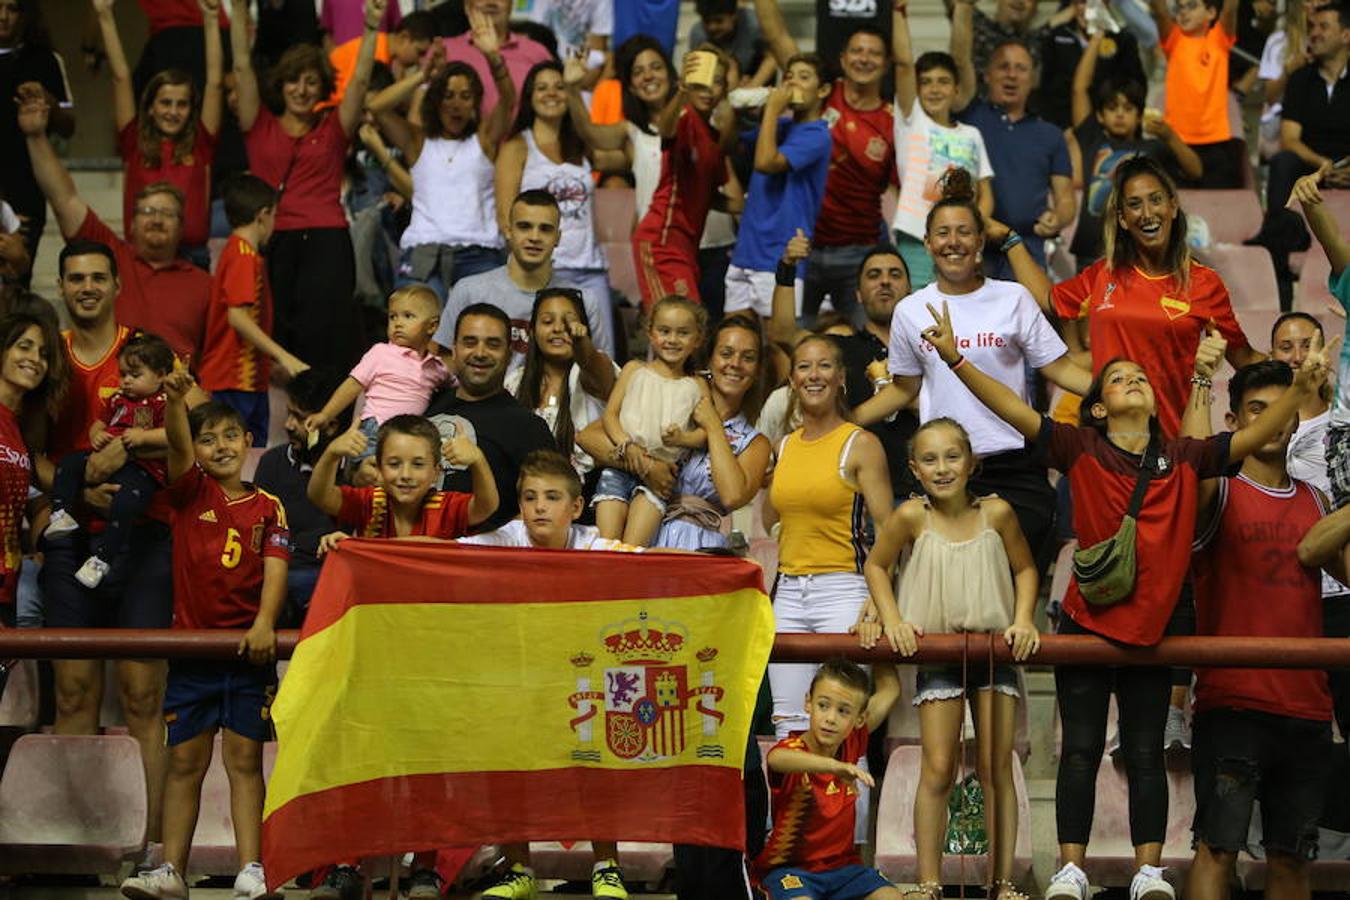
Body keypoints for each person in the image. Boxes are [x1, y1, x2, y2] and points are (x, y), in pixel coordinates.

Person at [918, 298, 1332, 900]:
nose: (1132, 381)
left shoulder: (1185, 458)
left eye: (1139, 377)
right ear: (1098, 407)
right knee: (1081, 750)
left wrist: (1301, 390)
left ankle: (1147, 870)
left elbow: (1255, 434)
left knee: (1144, 752)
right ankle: (1071, 869)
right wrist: (956, 359)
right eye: (1117, 378)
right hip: (1088, 624)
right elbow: (1012, 407)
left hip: (1154, 629)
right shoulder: (1078, 448)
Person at [117, 380, 288, 900]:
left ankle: (252, 868)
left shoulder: (268, 506)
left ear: (248, 440)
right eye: (207, 439)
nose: (220, 446)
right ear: (195, 451)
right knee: (185, 761)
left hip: (246, 654)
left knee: (244, 760)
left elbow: (277, 568)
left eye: (230, 436)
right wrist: (173, 403)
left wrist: (264, 623)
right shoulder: (190, 492)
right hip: (193, 653)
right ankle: (171, 870)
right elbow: (174, 443)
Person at [860, 417, 1040, 900]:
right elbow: (877, 565)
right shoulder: (910, 517)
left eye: (952, 456)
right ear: (914, 469)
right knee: (937, 767)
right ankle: (929, 881)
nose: (942, 468)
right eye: (930, 459)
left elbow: (1025, 569)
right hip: (938, 653)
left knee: (995, 767)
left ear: (972, 462)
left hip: (993, 652)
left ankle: (1003, 882)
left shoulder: (997, 513)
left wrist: (1022, 620)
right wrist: (893, 617)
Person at [872, 173, 1092, 564]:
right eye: (942, 233)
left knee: (1012, 592)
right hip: (944, 471)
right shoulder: (909, 310)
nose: (952, 242)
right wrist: (848, 418)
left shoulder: (1013, 297)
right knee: (954, 599)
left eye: (963, 232)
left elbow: (1059, 370)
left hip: (1014, 463)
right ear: (927, 244)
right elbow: (905, 389)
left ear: (979, 243)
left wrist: (1109, 390)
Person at [1183, 360, 1337, 900]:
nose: (1273, 422)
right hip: (1233, 702)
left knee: (1292, 858)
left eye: (1283, 410)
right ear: (1234, 420)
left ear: (1297, 420)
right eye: (1257, 411)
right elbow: (1192, 469)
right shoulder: (1218, 491)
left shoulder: (1317, 501)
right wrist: (1201, 378)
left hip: (1306, 707)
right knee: (1217, 849)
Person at [457, 449, 637, 900]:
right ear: (520, 505)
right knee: (514, 770)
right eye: (531, 497)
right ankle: (519, 869)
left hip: (583, 681)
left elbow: (656, 561)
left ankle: (607, 866)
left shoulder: (595, 543)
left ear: (575, 508)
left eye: (552, 497)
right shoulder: (504, 539)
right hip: (520, 678)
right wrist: (367, 548)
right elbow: (444, 556)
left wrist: (725, 565)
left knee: (593, 771)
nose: (539, 506)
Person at [1003, 155, 1261, 437]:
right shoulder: (1103, 275)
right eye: (1135, 205)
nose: (1147, 213)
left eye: (1156, 199)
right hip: (1107, 442)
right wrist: (1011, 242)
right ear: (1123, 219)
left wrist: (1298, 372)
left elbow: (1244, 358)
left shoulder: (1204, 283)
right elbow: (1047, 298)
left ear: (1173, 206)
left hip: (1173, 440)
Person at [229, 0, 385, 373]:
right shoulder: (259, 122)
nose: (301, 89)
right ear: (280, 84)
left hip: (327, 241)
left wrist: (370, 28)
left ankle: (323, 420)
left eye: (311, 81)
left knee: (327, 340)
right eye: (293, 80)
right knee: (276, 332)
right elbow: (240, 66)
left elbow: (360, 81)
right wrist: (237, 11)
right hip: (273, 240)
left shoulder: (333, 128)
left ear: (322, 88)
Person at [767, 333, 893, 739]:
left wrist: (878, 598)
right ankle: (789, 808)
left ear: (841, 377)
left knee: (839, 725)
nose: (814, 375)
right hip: (787, 591)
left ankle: (845, 804)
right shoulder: (784, 446)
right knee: (789, 725)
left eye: (824, 366)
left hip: (843, 590)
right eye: (804, 366)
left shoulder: (861, 443)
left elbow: (890, 530)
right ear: (791, 379)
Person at [21, 95, 211, 362]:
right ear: (131, 223)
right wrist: (36, 136)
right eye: (147, 211)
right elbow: (64, 199)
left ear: (182, 226)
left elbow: (216, 360)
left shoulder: (204, 285)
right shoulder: (109, 257)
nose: (156, 219)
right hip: (110, 387)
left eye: (167, 213)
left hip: (177, 394)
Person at [756, 0, 897, 323]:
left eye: (874, 53)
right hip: (803, 246)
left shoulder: (893, 121)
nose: (864, 59)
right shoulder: (818, 92)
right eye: (857, 51)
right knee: (790, 346)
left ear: (886, 63)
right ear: (843, 58)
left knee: (872, 346)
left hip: (860, 251)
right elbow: (778, 37)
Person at [370, 17, 515, 303]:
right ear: (435, 102)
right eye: (447, 96)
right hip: (424, 251)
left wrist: (492, 57)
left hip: (480, 252)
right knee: (417, 339)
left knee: (486, 336)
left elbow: (508, 100)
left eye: (465, 97)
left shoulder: (483, 140)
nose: (456, 105)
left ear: (475, 104)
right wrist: (423, 75)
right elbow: (376, 107)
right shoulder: (418, 141)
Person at [751, 658, 903, 900]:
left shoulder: (851, 742)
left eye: (843, 711)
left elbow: (890, 689)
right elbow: (776, 759)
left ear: (859, 719)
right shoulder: (793, 749)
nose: (831, 718)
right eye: (823, 705)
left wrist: (878, 628)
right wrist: (835, 767)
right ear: (808, 703)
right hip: (791, 870)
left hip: (844, 870)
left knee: (892, 897)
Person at [93, 0, 222, 266]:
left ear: (191, 110)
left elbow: (215, 82)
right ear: (150, 108)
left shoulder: (201, 142)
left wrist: (210, 20)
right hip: (140, 257)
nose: (173, 111)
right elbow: (121, 77)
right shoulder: (134, 141)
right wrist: (104, 15)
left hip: (191, 258)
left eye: (182, 104)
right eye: (165, 103)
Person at [45, 333, 175, 591]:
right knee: (68, 464)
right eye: (124, 374)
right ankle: (61, 513)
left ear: (160, 375)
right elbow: (98, 423)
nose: (126, 381)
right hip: (103, 462)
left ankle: (102, 559)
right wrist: (97, 436)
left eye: (135, 375)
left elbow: (174, 434)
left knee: (125, 504)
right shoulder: (118, 398)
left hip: (141, 470)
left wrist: (144, 435)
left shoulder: (165, 402)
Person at [951, 20, 1076, 277]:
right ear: (986, 74)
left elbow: (1066, 199)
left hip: (1026, 250)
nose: (1011, 74)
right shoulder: (969, 116)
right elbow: (959, 62)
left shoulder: (1051, 134)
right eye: (1003, 67)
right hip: (971, 247)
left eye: (1021, 68)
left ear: (1033, 79)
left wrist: (1058, 218)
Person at [497, 61, 612, 341]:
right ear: (530, 97)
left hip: (590, 268)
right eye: (542, 88)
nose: (551, 94)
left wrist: (575, 89)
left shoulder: (582, 146)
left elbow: (627, 154)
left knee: (603, 356)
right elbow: (505, 215)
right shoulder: (517, 146)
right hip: (544, 271)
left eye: (560, 87)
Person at [1065, 36, 1203, 266]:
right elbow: (1079, 88)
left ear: (1139, 116)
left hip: (1138, 252)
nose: (1119, 114)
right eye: (1112, 108)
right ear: (1099, 115)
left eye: (1128, 108)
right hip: (1092, 251)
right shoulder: (1092, 139)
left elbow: (1195, 171)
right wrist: (1097, 37)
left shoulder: (1152, 148)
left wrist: (1170, 137)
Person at [431, 190, 613, 365]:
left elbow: (604, 373)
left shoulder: (583, 300)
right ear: (509, 231)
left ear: (557, 237)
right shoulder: (469, 292)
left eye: (545, 229)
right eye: (524, 227)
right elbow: (444, 362)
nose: (534, 237)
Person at [426, 303, 557, 532]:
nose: (480, 353)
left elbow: (551, 501)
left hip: (479, 558)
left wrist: (494, 548)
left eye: (493, 344)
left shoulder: (528, 427)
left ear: (508, 355)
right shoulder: (426, 402)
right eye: (470, 342)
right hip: (409, 549)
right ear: (454, 350)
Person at [198, 174, 307, 447]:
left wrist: (268, 364)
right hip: (235, 380)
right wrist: (285, 356)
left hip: (246, 378)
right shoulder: (243, 256)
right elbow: (238, 317)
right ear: (262, 216)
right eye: (275, 216)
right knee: (238, 453)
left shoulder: (239, 254)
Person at [891, 3, 994, 290]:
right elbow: (902, 64)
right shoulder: (912, 121)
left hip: (961, 242)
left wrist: (975, 226)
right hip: (916, 238)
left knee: (958, 312)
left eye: (943, 82)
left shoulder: (972, 134)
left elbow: (985, 193)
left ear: (957, 90)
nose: (935, 89)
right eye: (926, 82)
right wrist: (899, 12)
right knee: (915, 316)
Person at [630, 48, 741, 306]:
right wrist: (680, 91)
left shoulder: (713, 137)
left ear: (724, 89)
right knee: (678, 324)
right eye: (701, 80)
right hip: (661, 242)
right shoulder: (684, 118)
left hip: (687, 248)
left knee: (686, 330)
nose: (707, 89)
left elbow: (712, 198)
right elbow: (665, 130)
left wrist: (759, 206)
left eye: (716, 81)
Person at [725, 55, 833, 319]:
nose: (793, 82)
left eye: (804, 76)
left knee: (777, 351)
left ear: (823, 90)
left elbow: (765, 162)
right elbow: (728, 146)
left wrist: (772, 109)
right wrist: (738, 107)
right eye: (789, 76)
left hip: (780, 254)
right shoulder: (781, 126)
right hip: (745, 251)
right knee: (733, 342)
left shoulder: (818, 134)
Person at [594, 296, 707, 545]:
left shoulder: (696, 385)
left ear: (697, 340)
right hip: (619, 467)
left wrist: (683, 438)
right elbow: (610, 416)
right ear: (650, 332)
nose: (672, 340)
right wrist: (627, 444)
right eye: (664, 331)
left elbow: (705, 433)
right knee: (605, 546)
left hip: (661, 473)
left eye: (683, 333)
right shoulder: (634, 370)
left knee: (633, 550)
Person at [1247, 2, 1349, 264]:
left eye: (1323, 26)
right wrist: (1322, 165)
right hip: (1312, 167)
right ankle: (1279, 234)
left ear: (1346, 35)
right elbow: (1290, 139)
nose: (1314, 33)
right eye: (1312, 26)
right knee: (1283, 161)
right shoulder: (1300, 78)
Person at [304, 285, 451, 459]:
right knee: (367, 478)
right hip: (375, 429)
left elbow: (458, 384)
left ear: (432, 326)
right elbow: (352, 385)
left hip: (409, 437)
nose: (398, 323)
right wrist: (325, 414)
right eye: (392, 316)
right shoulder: (380, 353)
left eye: (408, 316)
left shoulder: (436, 367)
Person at [309, 412, 497, 543]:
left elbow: (486, 506)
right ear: (380, 469)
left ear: (436, 472)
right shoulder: (368, 502)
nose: (405, 475)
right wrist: (331, 454)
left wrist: (478, 460)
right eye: (394, 464)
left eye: (418, 464)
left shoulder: (447, 508)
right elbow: (320, 496)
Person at [252, 367, 346, 625]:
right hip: (277, 575)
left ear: (332, 426)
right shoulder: (272, 463)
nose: (288, 425)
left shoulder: (355, 473)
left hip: (329, 581)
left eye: (299, 417)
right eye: (289, 413)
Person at [506, 288, 617, 494]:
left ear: (583, 329)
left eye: (568, 322)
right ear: (532, 331)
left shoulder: (592, 372)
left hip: (588, 496)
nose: (558, 328)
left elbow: (592, 362)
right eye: (547, 322)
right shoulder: (515, 381)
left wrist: (581, 343)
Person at [0, 311, 65, 628]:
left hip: (7, 588)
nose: (35, 359)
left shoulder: (18, 430)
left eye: (43, 354)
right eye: (24, 347)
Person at [0, 0, 76, 266]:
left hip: (24, 192)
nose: (3, 17)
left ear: (25, 13)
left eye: (12, 8)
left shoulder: (45, 59)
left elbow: (68, 127)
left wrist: (48, 102)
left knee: (16, 281)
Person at [1147, 0, 1246, 187]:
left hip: (1216, 142)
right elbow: (1159, 9)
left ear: (1210, 12)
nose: (1183, 12)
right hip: (1176, 140)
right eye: (1179, 7)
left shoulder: (1219, 38)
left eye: (1191, 6)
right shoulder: (1174, 39)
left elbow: (1231, 7)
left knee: (1219, 209)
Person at [1035, 0, 1145, 130]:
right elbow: (1044, 89)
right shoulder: (1055, 37)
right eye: (1082, 2)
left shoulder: (1124, 41)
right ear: (1073, 5)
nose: (1088, 10)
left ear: (1107, 5)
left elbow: (1137, 90)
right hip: (1060, 128)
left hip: (1107, 132)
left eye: (1094, 3)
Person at [439, 0, 552, 119]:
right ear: (467, 6)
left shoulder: (537, 52)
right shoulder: (444, 50)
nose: (491, 2)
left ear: (511, 5)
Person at [325, 10, 435, 107]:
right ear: (404, 37)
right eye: (420, 52)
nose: (420, 60)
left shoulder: (380, 46)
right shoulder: (373, 53)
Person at [691, 0, 775, 86]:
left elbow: (772, 58)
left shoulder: (755, 24)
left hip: (757, 77)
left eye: (718, 21)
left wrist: (753, 85)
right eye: (706, 22)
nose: (712, 27)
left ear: (734, 15)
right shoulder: (699, 34)